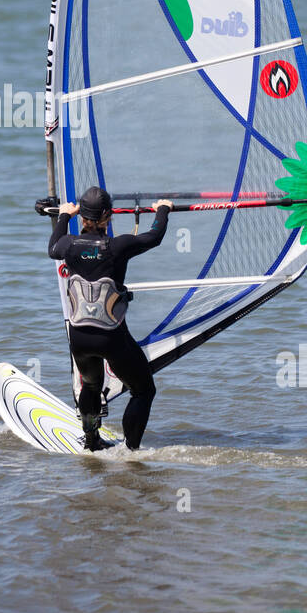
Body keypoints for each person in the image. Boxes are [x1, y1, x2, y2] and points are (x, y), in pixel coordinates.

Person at [48, 185, 173, 451]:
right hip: (111, 338)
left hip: (79, 336)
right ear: (109, 217)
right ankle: (130, 451)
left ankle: (91, 442)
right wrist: (162, 210)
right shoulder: (119, 246)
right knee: (143, 391)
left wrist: (63, 216)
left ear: (82, 217)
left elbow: (52, 248)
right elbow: (154, 237)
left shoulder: (68, 245)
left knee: (91, 386)